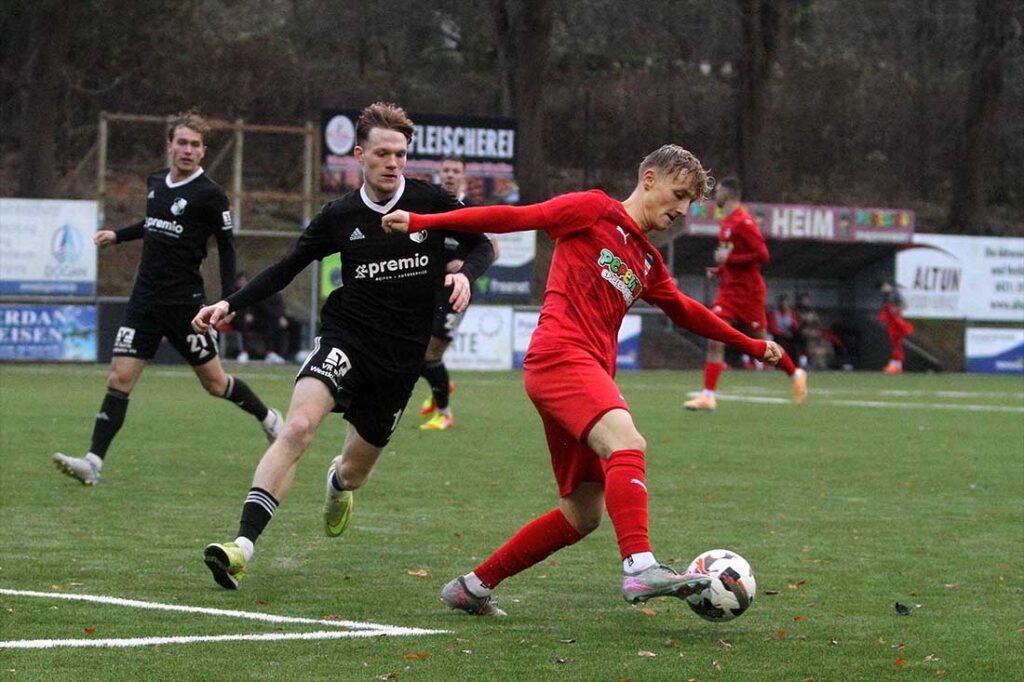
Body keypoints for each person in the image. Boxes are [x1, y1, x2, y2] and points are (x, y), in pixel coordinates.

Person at [381, 144, 784, 616]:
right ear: (649, 179)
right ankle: (639, 566)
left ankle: (473, 586)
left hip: (582, 371)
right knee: (628, 443)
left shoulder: (648, 261)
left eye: (689, 204)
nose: (681, 210)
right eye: (678, 195)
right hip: (559, 357)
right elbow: (518, 217)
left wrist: (752, 345)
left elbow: (688, 311)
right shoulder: (594, 211)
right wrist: (424, 222)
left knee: (583, 514)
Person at [193, 102, 494, 589]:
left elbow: (482, 244)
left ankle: (337, 485)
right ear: (360, 155)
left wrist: (468, 277)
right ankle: (241, 546)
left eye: (400, 153)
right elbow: (285, 268)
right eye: (382, 153)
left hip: (399, 362)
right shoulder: (339, 216)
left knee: (354, 471)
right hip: (346, 339)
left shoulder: (431, 202)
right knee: (298, 428)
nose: (392, 162)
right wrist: (228, 304)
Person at [52, 110, 282, 486]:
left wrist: (228, 300)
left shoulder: (210, 195)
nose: (188, 150)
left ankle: (269, 417)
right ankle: (93, 461)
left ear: (203, 151)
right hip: (144, 300)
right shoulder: (156, 182)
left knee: (215, 384)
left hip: (185, 305)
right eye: (182, 143)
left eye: (195, 145)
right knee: (119, 378)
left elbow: (226, 247)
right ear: (170, 145)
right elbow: (154, 224)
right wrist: (118, 235)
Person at [683, 177, 806, 411]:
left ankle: (796, 374)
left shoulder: (744, 221)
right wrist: (720, 270)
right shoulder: (727, 222)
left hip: (749, 293)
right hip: (728, 292)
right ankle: (708, 395)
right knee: (714, 335)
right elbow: (732, 257)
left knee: (762, 344)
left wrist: (731, 260)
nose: (715, 195)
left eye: (717, 191)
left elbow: (762, 254)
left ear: (728, 195)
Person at [417, 156, 501, 430]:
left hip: (455, 295)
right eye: (446, 170)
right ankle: (440, 383)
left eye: (456, 171)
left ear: (463, 177)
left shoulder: (474, 209)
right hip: (428, 289)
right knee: (419, 352)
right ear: (438, 173)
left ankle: (445, 413)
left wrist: (466, 268)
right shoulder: (432, 206)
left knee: (430, 354)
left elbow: (494, 251)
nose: (450, 175)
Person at [879, 282, 914, 374]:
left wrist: (896, 310)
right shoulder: (887, 296)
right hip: (891, 321)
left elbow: (904, 305)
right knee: (894, 344)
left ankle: (896, 366)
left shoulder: (895, 294)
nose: (882, 288)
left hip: (895, 321)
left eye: (884, 286)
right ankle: (894, 365)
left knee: (896, 344)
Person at [768, 294, 801, 362]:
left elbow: (796, 326)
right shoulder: (774, 313)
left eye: (785, 302)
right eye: (781, 302)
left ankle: (797, 362)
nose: (783, 304)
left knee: (796, 342)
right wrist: (783, 334)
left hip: (790, 336)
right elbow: (772, 328)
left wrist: (793, 326)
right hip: (777, 336)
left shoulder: (792, 313)